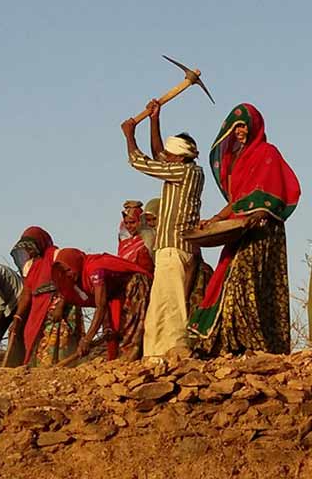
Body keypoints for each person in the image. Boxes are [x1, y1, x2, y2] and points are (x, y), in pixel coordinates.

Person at [188, 103, 300, 356]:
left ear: (255, 126)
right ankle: (225, 344)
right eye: (236, 125)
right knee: (228, 280)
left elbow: (274, 192)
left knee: (246, 281)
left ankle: (253, 344)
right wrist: (215, 219)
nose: (239, 130)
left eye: (243, 124)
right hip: (240, 228)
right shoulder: (239, 160)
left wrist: (259, 214)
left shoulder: (268, 153)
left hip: (263, 230)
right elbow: (237, 201)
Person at [121, 99, 204, 358]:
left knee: (171, 304)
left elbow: (142, 163)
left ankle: (174, 350)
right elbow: (159, 155)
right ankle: (155, 355)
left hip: (174, 247)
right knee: (160, 305)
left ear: (179, 157)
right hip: (172, 249)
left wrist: (130, 136)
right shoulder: (184, 169)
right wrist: (155, 119)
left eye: (170, 156)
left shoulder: (186, 173)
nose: (165, 158)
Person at [51, 248, 152, 361]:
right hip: (117, 293)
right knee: (113, 331)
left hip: (134, 286)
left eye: (68, 269)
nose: (68, 275)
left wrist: (87, 340)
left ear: (75, 262)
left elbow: (101, 306)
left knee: (130, 329)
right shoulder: (81, 278)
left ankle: (130, 360)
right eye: (64, 273)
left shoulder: (94, 269)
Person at [10, 227, 83, 366]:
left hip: (61, 307)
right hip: (39, 311)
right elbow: (27, 293)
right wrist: (18, 317)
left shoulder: (56, 256)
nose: (29, 252)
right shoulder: (29, 266)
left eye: (31, 248)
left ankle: (64, 368)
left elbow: (69, 279)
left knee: (61, 339)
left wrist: (60, 304)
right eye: (26, 249)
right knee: (35, 339)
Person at [117, 200, 155, 273]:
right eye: (126, 223)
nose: (128, 226)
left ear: (140, 221)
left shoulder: (149, 239)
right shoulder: (124, 242)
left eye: (132, 222)